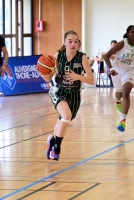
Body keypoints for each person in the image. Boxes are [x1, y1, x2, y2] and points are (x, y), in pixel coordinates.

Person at [42, 30, 94, 161]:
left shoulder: (82, 58)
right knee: (66, 115)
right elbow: (48, 79)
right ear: (64, 43)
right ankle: (56, 149)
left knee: (65, 120)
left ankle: (53, 140)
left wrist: (78, 76)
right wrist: (43, 71)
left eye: (76, 42)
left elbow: (92, 80)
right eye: (70, 41)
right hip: (58, 91)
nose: (73, 44)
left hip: (75, 94)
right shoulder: (57, 56)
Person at [104, 25, 134, 132]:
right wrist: (111, 68)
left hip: (129, 71)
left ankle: (123, 121)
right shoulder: (122, 43)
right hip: (117, 70)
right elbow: (106, 56)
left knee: (126, 93)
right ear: (127, 33)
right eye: (132, 32)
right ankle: (118, 100)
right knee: (120, 93)